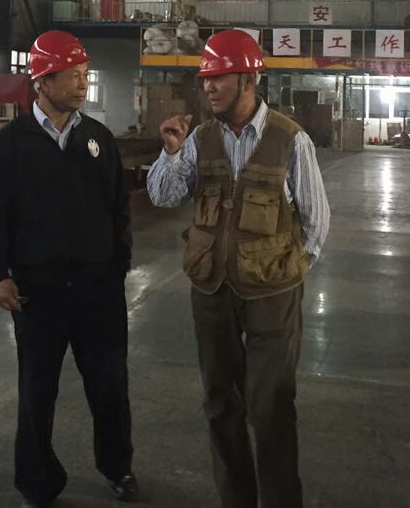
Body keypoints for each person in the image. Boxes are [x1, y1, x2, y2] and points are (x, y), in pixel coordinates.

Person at [147, 30, 330, 508]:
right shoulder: (199, 138)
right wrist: (170, 152)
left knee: (271, 406)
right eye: (205, 78)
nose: (208, 87)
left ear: (249, 80)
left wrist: (288, 269)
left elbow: (316, 222)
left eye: (219, 77)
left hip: (272, 295)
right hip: (212, 291)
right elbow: (164, 196)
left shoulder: (290, 139)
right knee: (220, 404)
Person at [0, 30, 138, 508]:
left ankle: (118, 467)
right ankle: (37, 480)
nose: (83, 83)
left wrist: (116, 267)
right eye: (72, 75)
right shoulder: (12, 144)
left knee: (109, 385)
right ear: (42, 82)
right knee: (36, 390)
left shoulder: (98, 139)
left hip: (97, 287)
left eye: (85, 74)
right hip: (37, 289)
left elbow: (119, 211)